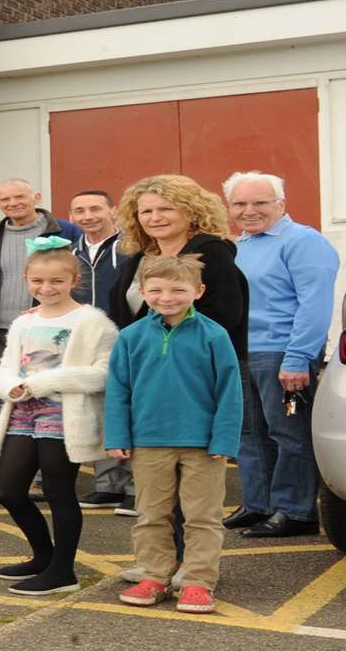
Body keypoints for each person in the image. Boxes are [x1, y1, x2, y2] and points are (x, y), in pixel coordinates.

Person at [103, 174, 250, 532]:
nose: (155, 217)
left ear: (191, 211)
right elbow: (123, 316)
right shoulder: (140, 258)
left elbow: (226, 316)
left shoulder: (212, 255)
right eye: (146, 211)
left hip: (196, 378)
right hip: (148, 377)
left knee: (194, 493)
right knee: (156, 493)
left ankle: (191, 569)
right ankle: (160, 566)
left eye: (166, 208)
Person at [105, 255, 244, 613]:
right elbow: (118, 390)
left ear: (198, 291)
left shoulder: (215, 335)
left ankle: (198, 581)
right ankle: (154, 574)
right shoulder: (131, 337)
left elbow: (230, 390)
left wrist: (225, 440)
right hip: (148, 442)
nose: (167, 297)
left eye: (178, 289)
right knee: (151, 514)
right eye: (157, 289)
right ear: (143, 291)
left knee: (202, 517)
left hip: (203, 444)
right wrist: (117, 435)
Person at [0, 239, 120, 596]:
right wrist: (11, 387)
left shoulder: (93, 322)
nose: (46, 289)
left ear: (74, 279)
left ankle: (63, 571)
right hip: (23, 412)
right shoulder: (23, 321)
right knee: (7, 491)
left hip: (64, 413)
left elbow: (104, 374)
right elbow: (6, 368)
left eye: (56, 282)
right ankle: (43, 555)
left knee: (60, 492)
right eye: (37, 282)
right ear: (27, 280)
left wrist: (46, 381)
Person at [227, 171, 340, 538]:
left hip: (281, 355)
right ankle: (259, 505)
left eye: (260, 202)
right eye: (240, 204)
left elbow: (315, 304)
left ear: (281, 204)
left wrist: (297, 357)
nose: (249, 211)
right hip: (243, 354)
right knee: (249, 434)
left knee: (288, 433)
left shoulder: (304, 242)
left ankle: (295, 512)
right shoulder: (238, 246)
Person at [0, 179, 82, 375]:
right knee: (7, 392)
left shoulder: (65, 231)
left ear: (36, 197)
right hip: (1, 331)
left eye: (19, 196)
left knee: (48, 391)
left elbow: (80, 274)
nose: (13, 203)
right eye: (5, 199)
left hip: (51, 326)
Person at [68, 189, 131, 508]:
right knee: (97, 411)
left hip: (125, 337)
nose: (88, 216)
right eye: (80, 211)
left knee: (128, 409)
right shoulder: (68, 252)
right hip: (86, 342)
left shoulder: (132, 248)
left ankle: (135, 486)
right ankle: (108, 484)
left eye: (95, 208)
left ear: (113, 211)